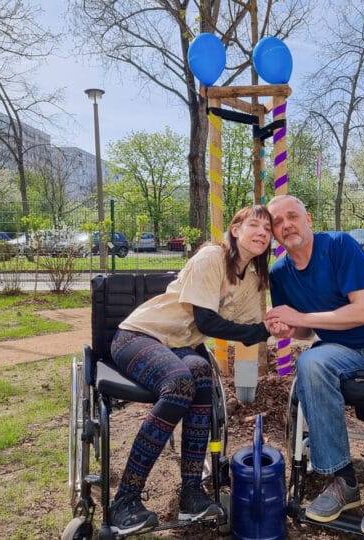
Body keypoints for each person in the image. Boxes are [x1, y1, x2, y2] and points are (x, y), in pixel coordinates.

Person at [107, 205, 289, 535]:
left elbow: (249, 326)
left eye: (268, 228)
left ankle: (192, 492)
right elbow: (209, 321)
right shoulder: (211, 258)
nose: (262, 232)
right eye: (254, 225)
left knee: (202, 376)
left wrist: (275, 327)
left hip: (181, 345)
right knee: (179, 383)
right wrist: (262, 331)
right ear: (235, 230)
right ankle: (125, 499)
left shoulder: (254, 279)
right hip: (140, 335)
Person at [265, 195, 364, 539]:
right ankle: (343, 481)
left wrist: (301, 318)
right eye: (277, 222)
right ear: (274, 234)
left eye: (291, 216)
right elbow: (307, 330)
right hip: (343, 346)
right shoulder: (280, 274)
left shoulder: (339, 245)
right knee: (309, 362)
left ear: (308, 218)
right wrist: (288, 328)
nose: (286, 225)